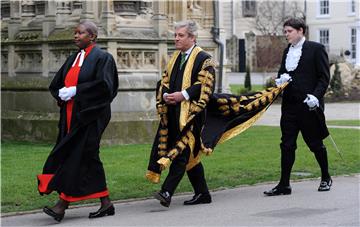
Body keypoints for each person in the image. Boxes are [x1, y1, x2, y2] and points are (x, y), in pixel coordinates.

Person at [37, 21, 118, 222]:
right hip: (70, 117)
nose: (75, 36)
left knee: (77, 157)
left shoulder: (103, 58)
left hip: (91, 116)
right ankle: (106, 203)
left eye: (80, 33)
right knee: (89, 157)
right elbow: (57, 84)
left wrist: (77, 91)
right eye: (75, 33)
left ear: (92, 36)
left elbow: (106, 87)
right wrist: (61, 95)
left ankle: (61, 206)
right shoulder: (73, 58)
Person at [146, 20, 215, 207]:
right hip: (174, 111)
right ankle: (203, 193)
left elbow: (205, 84)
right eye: (175, 35)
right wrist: (166, 94)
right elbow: (166, 79)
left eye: (180, 35)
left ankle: (167, 192)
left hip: (193, 115)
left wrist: (183, 95)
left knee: (181, 152)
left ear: (192, 37)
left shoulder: (204, 58)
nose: (176, 38)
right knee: (189, 156)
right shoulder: (175, 57)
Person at [264, 18, 332, 196]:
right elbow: (282, 73)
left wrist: (316, 96)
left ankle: (326, 177)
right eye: (285, 31)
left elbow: (324, 77)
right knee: (286, 145)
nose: (286, 34)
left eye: (289, 31)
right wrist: (281, 80)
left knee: (315, 143)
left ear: (300, 31)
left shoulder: (316, 49)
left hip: (308, 106)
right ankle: (284, 184)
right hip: (289, 106)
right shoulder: (287, 50)